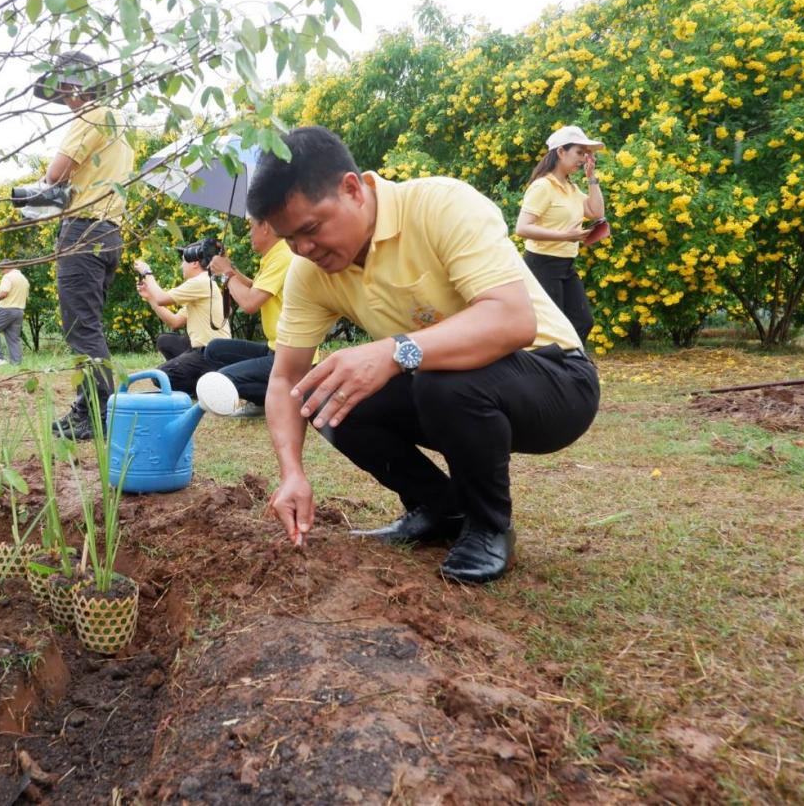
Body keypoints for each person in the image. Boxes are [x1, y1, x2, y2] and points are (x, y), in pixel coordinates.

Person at [250, 126, 599, 584]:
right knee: (326, 394)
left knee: (438, 374)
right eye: (290, 239)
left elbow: (514, 321)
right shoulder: (310, 272)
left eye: (311, 229)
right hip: (445, 383)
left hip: (556, 380)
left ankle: (488, 527)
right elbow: (284, 380)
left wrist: (397, 351)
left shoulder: (440, 204)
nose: (304, 250)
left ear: (352, 189)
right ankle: (439, 508)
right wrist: (291, 472)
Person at [33, 51, 134, 440]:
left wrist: (43, 185)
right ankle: (91, 407)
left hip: (84, 230)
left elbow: (56, 173)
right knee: (89, 325)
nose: (62, 99)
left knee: (81, 327)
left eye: (63, 90)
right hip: (110, 232)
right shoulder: (118, 121)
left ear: (75, 85)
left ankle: (95, 412)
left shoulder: (90, 114)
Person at [514, 125, 606, 344]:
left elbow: (596, 212)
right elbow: (522, 228)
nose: (584, 158)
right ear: (560, 152)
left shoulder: (571, 188)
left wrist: (592, 178)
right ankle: (556, 372)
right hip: (541, 265)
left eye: (586, 154)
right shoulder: (543, 186)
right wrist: (565, 235)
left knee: (582, 322)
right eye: (579, 152)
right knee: (552, 329)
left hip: (566, 264)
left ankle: (568, 369)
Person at [201, 216, 292, 417]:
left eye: (252, 227)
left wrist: (226, 274)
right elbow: (254, 287)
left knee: (223, 379)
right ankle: (265, 400)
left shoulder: (283, 256)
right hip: (274, 349)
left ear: (266, 226)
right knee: (214, 350)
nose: (250, 233)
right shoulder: (274, 255)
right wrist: (229, 267)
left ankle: (291, 397)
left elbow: (250, 303)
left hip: (291, 357)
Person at [133, 245, 231, 397]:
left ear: (194, 264)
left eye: (183, 261)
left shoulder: (201, 282)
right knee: (165, 340)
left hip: (211, 353)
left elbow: (162, 298)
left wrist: (147, 272)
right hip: (202, 349)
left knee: (160, 376)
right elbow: (175, 321)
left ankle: (203, 387)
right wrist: (149, 297)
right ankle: (199, 379)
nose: (181, 265)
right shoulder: (201, 286)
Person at [0, 265, 29, 368]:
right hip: (19, 310)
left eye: (2, 269)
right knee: (13, 338)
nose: (1, 272)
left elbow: (3, 294)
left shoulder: (8, 276)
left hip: (7, 310)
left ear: (7, 268)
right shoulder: (23, 279)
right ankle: (16, 363)